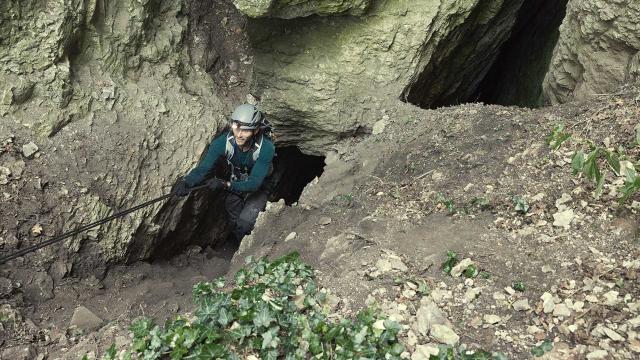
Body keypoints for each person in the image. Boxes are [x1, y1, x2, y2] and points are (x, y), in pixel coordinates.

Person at [174, 104, 275, 245]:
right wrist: (187, 182)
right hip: (236, 182)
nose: (239, 134)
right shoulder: (222, 143)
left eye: (246, 130)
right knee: (233, 217)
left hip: (258, 188)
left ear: (256, 130)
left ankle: (246, 250)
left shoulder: (266, 148)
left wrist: (225, 184)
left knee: (245, 223)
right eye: (236, 127)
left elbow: (254, 183)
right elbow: (204, 168)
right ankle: (237, 242)